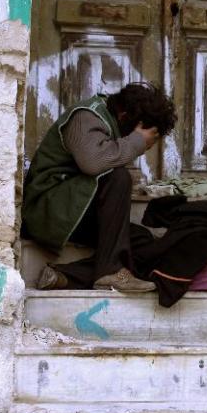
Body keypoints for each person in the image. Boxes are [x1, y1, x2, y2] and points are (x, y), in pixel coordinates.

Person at [21, 83, 177, 292]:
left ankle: (63, 276)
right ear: (123, 116)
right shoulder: (87, 117)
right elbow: (92, 163)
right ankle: (110, 271)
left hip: (75, 212)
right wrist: (137, 141)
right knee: (118, 177)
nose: (143, 150)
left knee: (142, 241)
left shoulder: (110, 121)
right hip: (47, 212)